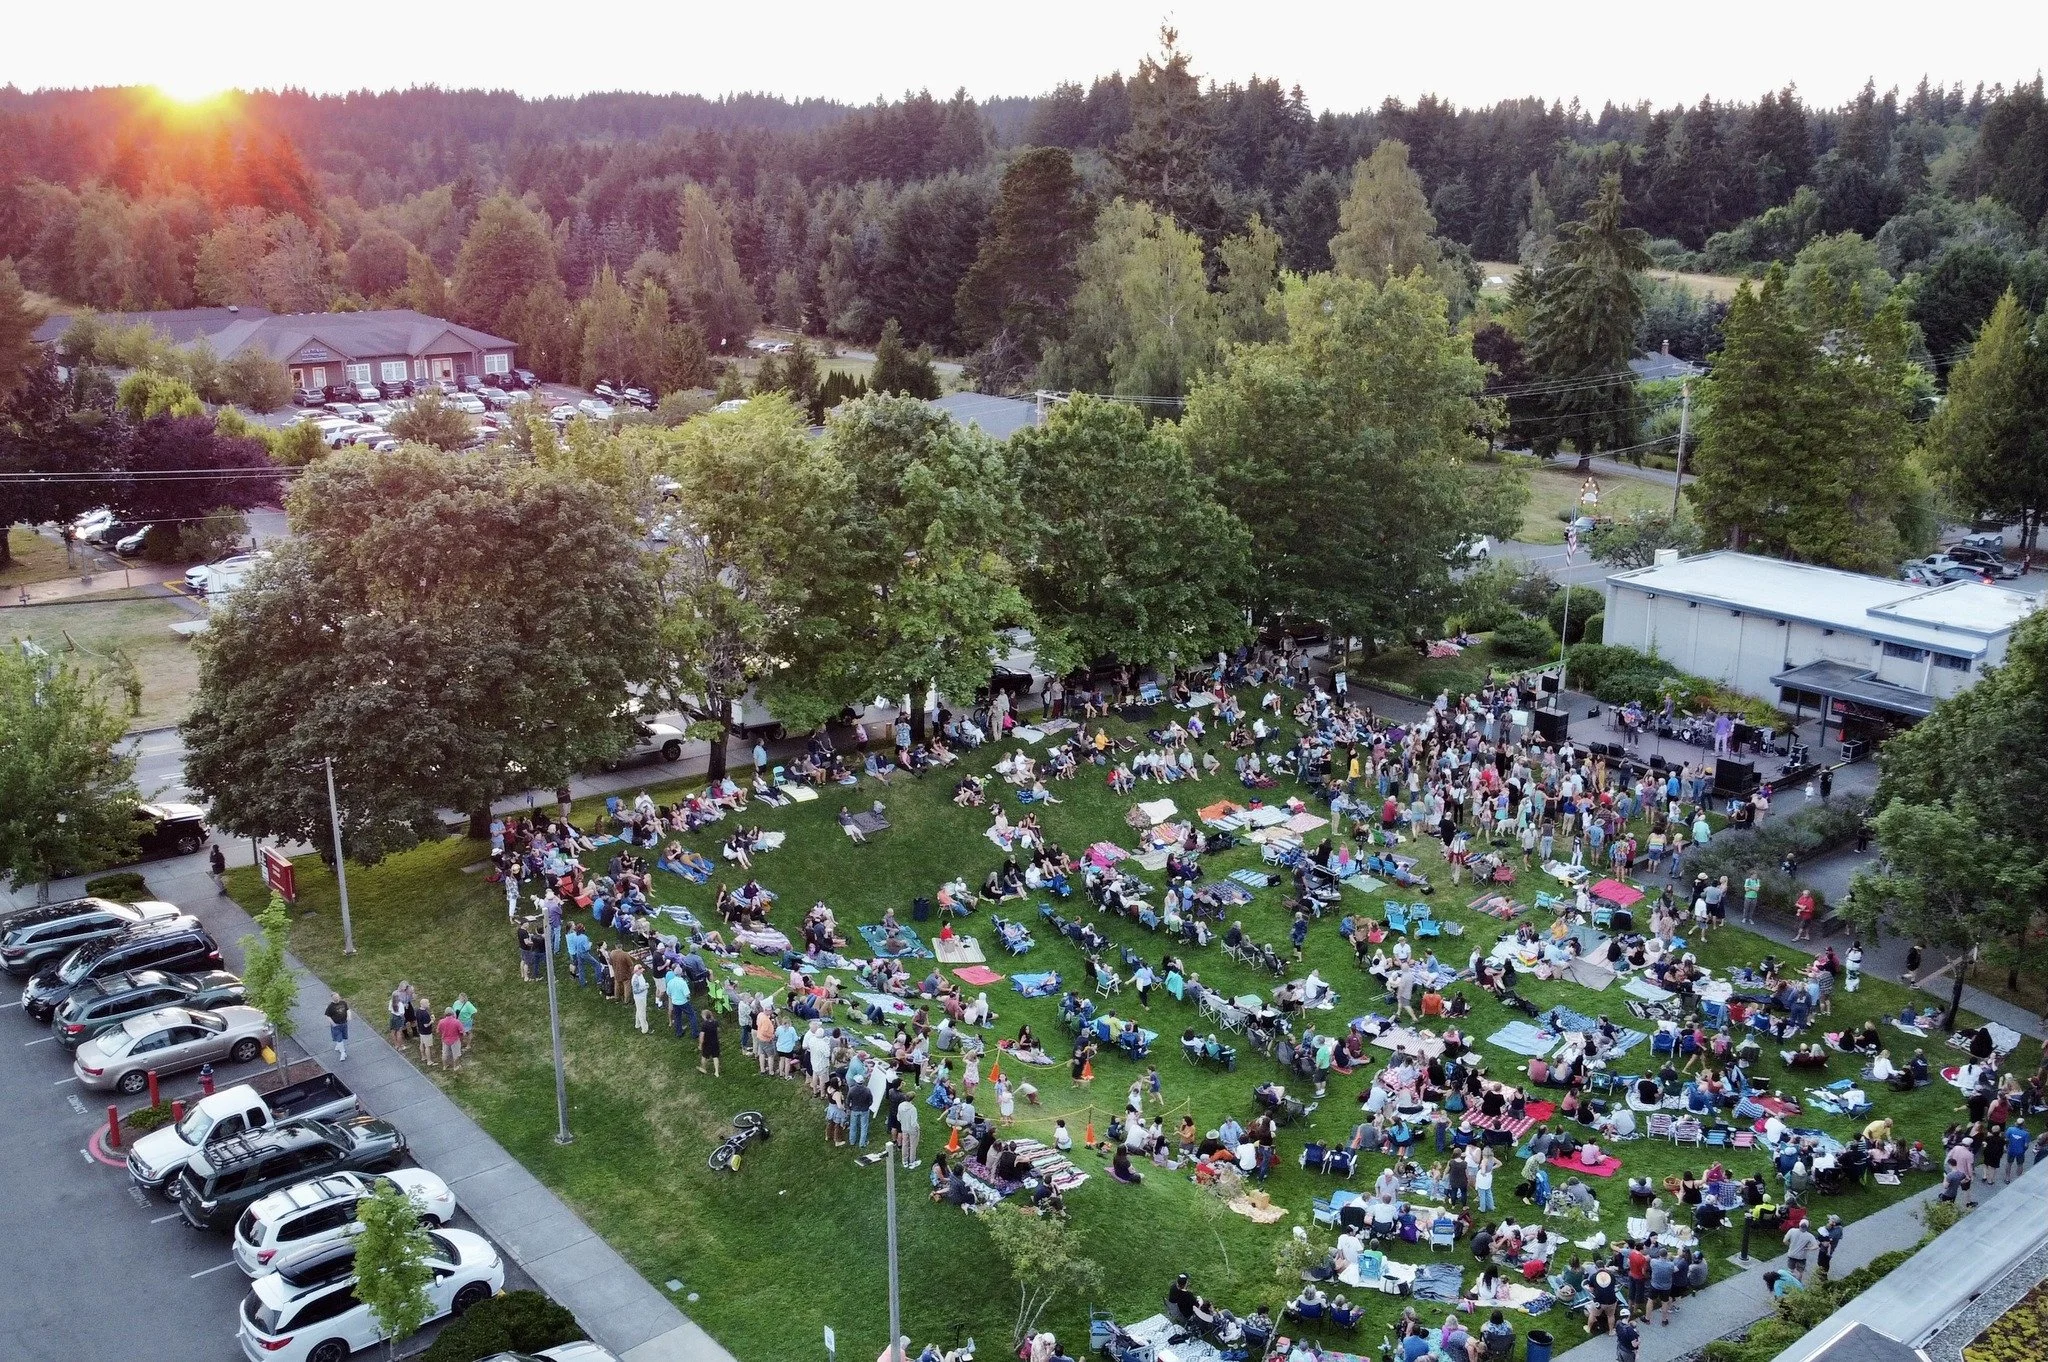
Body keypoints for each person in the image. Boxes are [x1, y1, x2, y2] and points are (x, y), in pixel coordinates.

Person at [436, 1005, 465, 1069]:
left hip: (445, 1040)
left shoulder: (441, 1021)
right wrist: (461, 1037)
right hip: (455, 1040)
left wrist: (442, 1034)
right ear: (453, 1013)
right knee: (456, 1054)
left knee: (444, 1054)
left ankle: (445, 1066)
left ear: (445, 1013)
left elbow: (438, 1031)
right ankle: (455, 1066)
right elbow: (462, 1032)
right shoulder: (457, 1021)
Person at [324, 993, 350, 1062]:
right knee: (339, 1039)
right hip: (336, 1025)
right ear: (332, 998)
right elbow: (327, 1016)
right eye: (335, 997)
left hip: (344, 1024)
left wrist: (349, 1016)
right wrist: (333, 1024)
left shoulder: (343, 1003)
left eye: (337, 997)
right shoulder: (330, 1007)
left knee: (343, 1037)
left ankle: (338, 1046)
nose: (337, 998)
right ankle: (343, 1052)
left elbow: (347, 1010)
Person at [698, 1010, 722, 1077]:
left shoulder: (704, 1024)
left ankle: (703, 1068)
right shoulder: (715, 1022)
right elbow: (718, 1030)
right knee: (715, 1057)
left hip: (707, 1043)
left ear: (704, 1016)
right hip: (715, 1042)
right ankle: (716, 1072)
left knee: (704, 1056)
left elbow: (702, 1036)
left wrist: (700, 1045)